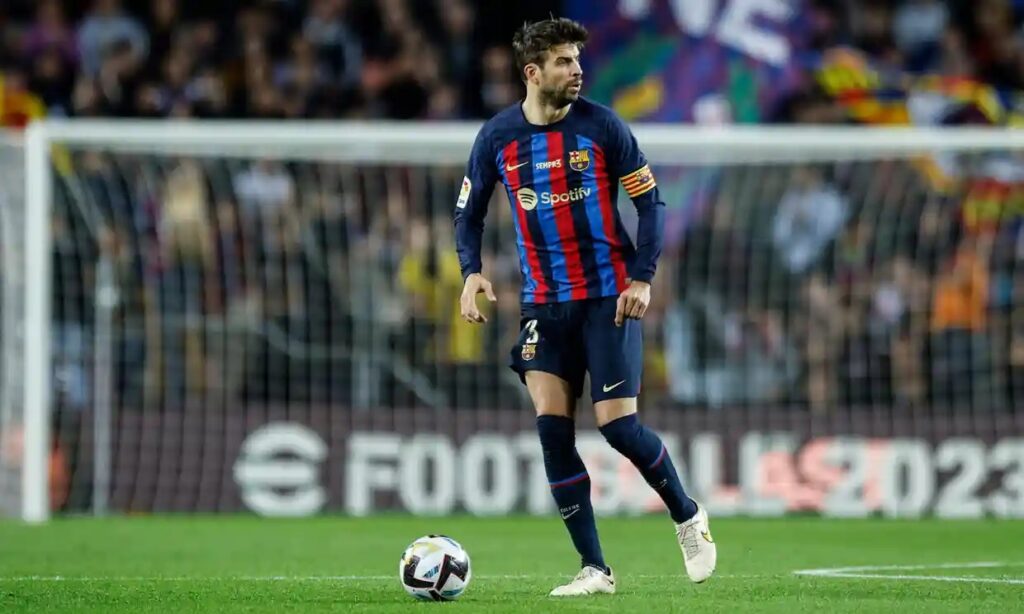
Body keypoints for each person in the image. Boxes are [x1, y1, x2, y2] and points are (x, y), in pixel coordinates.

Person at [453, 17, 716, 597]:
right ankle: (595, 568)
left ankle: (687, 514)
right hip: (544, 305)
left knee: (618, 428)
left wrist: (642, 278)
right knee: (553, 432)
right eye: (564, 62)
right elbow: (468, 214)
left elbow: (651, 204)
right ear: (533, 72)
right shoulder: (497, 137)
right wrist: (470, 272)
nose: (577, 70)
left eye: (577, 59)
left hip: (607, 298)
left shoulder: (602, 126)